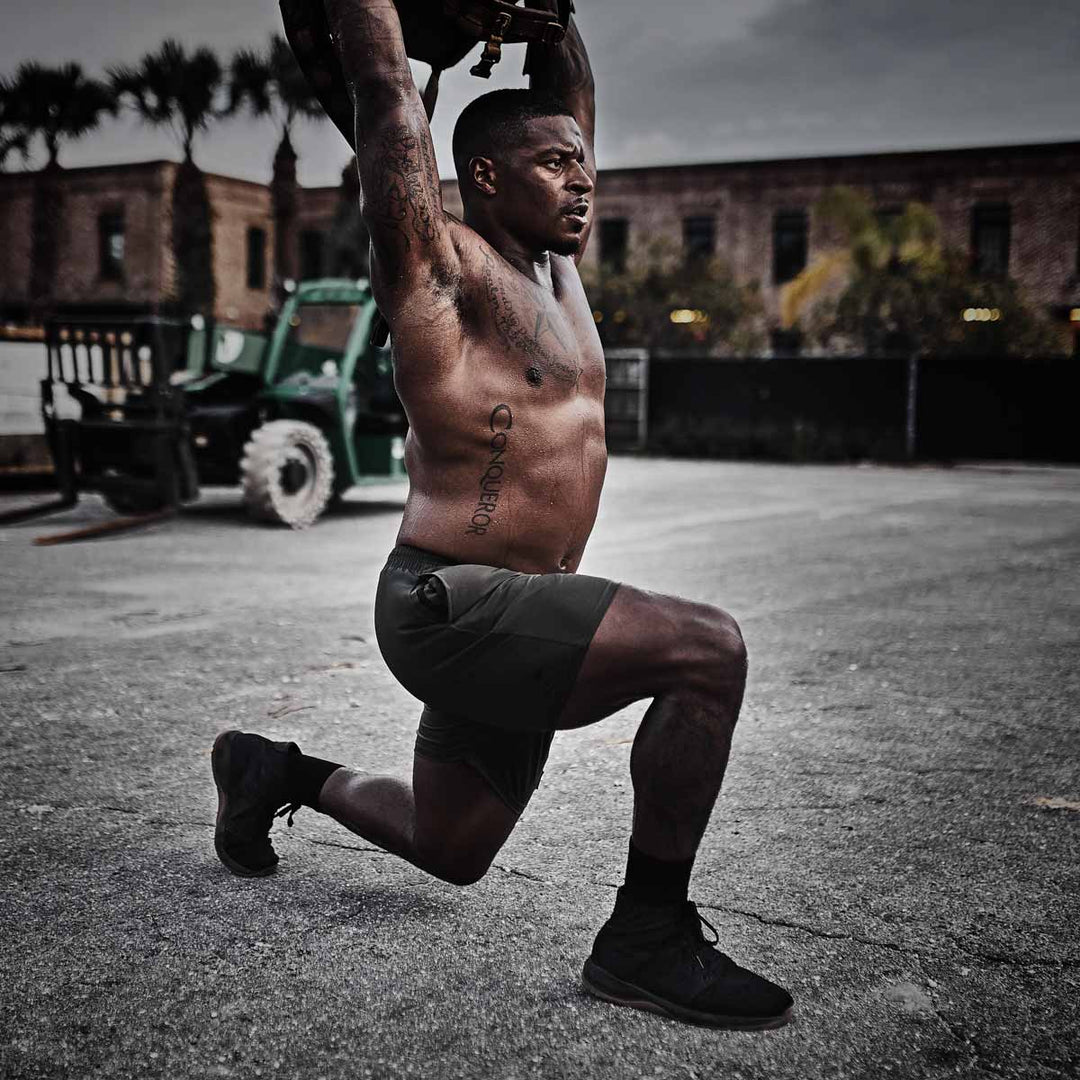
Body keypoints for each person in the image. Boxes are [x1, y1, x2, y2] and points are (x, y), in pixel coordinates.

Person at [213, 0, 793, 1031]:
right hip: (449, 602)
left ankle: (275, 771)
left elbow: (567, 85)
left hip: (522, 608)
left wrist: (551, 15)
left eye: (584, 165)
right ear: (482, 176)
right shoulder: (437, 270)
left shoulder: (559, 274)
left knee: (452, 848)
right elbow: (391, 98)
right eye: (555, 166)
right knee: (709, 652)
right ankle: (647, 938)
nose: (582, 180)